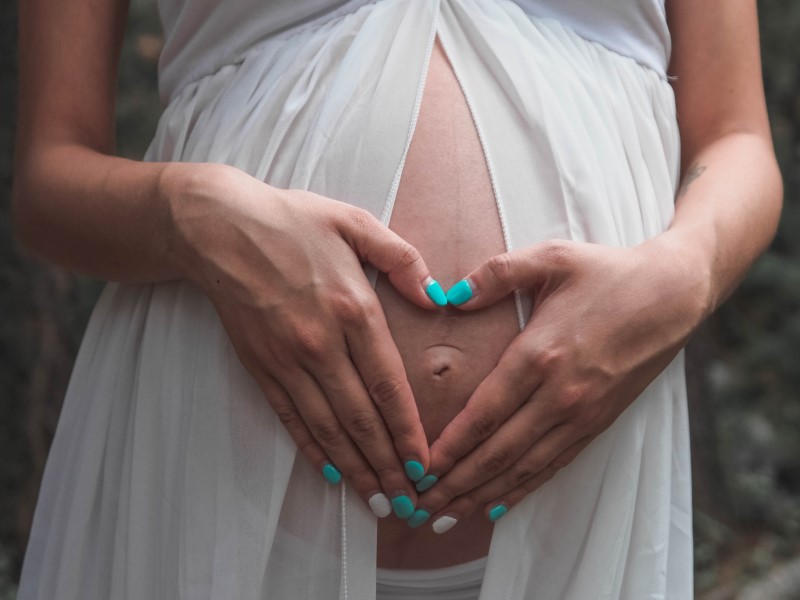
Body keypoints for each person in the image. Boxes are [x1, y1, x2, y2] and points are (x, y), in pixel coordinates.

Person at [12, 0, 782, 598]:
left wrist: (689, 271)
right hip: (220, 493)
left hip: (583, 517)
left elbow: (737, 138)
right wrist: (193, 211)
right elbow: (49, 181)